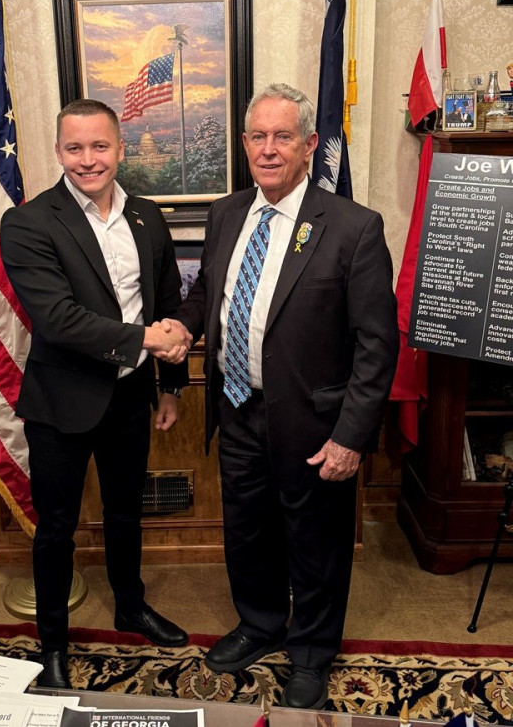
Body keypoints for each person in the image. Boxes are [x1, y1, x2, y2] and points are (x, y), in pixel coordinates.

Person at [164, 83, 399, 709]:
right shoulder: (226, 213)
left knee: (316, 542)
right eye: (258, 137)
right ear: (244, 144)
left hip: (315, 422)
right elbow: (208, 292)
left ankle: (312, 652)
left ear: (309, 144)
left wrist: (351, 437)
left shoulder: (353, 227)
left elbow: (377, 345)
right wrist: (182, 325)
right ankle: (261, 624)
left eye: (283, 137)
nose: (269, 149)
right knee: (247, 531)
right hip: (237, 407)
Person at [0, 98, 192, 689]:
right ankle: (53, 644)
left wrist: (170, 386)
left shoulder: (147, 217)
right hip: (62, 401)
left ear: (120, 149)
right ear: (59, 152)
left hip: (131, 395)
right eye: (75, 148)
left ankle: (130, 607)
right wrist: (149, 340)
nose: (88, 160)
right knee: (56, 527)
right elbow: (58, 320)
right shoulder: (29, 223)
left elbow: (165, 302)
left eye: (100, 146)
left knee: (125, 512)